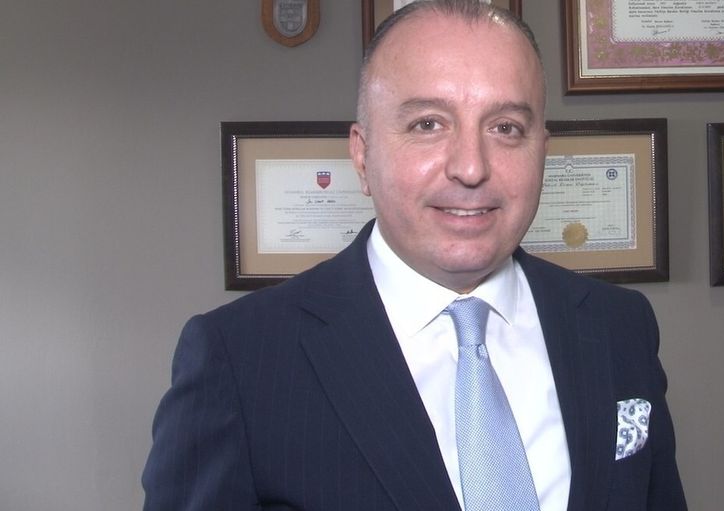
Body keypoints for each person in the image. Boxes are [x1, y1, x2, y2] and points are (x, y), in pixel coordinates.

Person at [142, 1, 687, 510]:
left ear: (542, 150)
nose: (471, 167)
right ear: (362, 155)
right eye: (428, 124)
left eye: (505, 128)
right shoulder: (239, 360)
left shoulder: (619, 325)